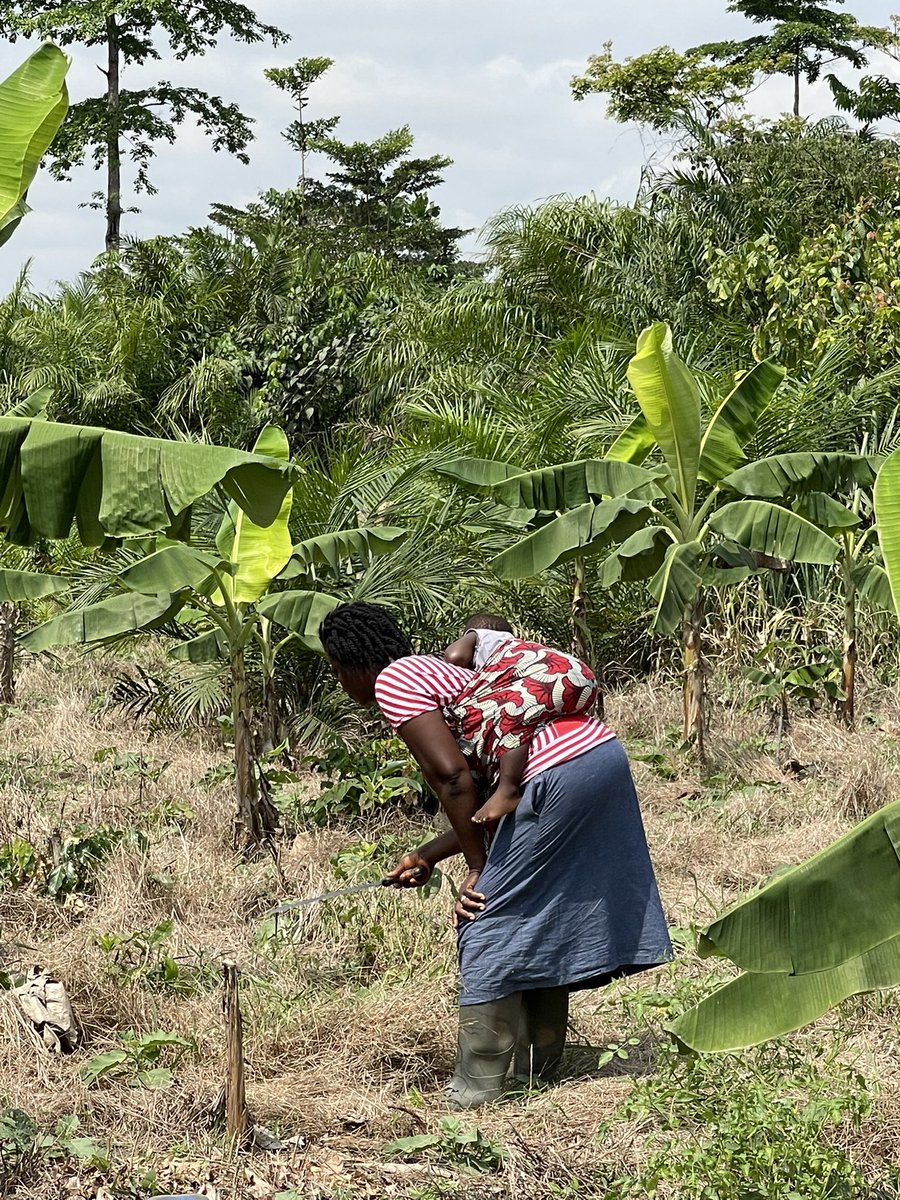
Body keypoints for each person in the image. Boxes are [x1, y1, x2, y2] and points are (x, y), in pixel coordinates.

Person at [318, 600, 672, 1110]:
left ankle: (474, 1093)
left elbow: (454, 779)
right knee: (539, 911)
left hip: (555, 773)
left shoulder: (392, 680)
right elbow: (488, 802)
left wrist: (477, 868)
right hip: (598, 757)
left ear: (347, 664)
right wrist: (428, 854)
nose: (340, 683)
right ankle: (541, 1075)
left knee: (486, 918)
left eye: (335, 672)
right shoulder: (443, 671)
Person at [443, 613, 599, 825]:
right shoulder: (521, 652)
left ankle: (508, 789)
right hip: (580, 681)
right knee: (520, 716)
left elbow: (454, 656)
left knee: (510, 709)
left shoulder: (482, 636)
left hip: (557, 676)